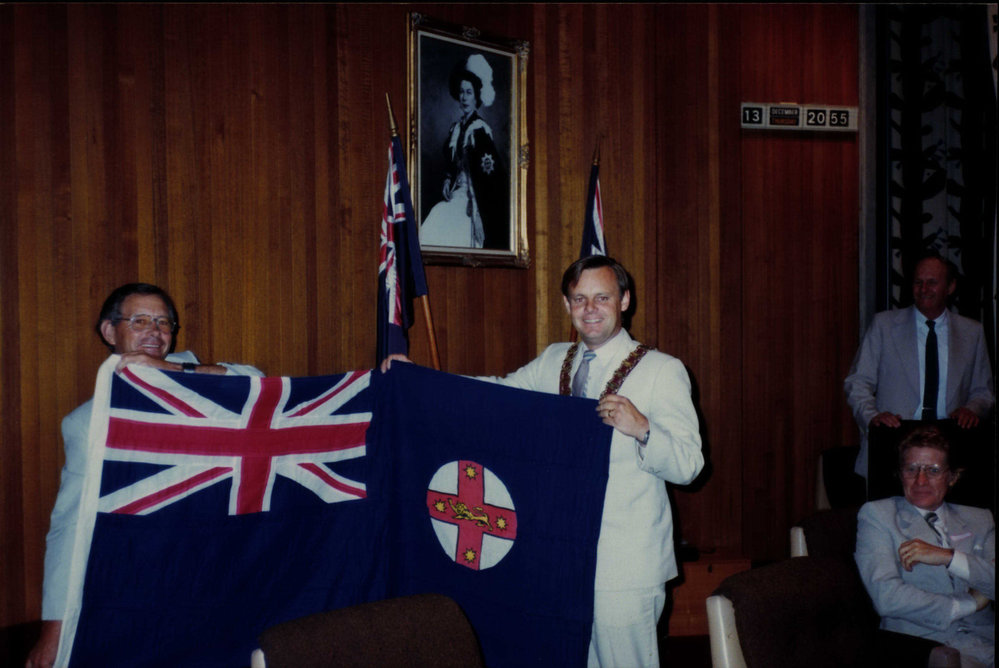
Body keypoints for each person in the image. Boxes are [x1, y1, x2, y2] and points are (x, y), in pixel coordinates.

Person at [383, 256, 704, 667]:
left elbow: (689, 466)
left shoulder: (662, 371)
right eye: (580, 299)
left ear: (624, 300)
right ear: (567, 305)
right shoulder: (556, 359)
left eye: (602, 297)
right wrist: (420, 379)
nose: (590, 309)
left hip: (622, 570)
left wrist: (642, 429)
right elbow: (498, 396)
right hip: (559, 558)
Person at [26, 283, 263, 668]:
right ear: (110, 331)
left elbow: (256, 380)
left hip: (222, 573)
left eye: (163, 322)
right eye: (139, 321)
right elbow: (69, 528)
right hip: (143, 584)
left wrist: (173, 371)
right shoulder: (89, 423)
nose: (154, 331)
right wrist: (54, 631)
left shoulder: (201, 382)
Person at [844, 253, 995, 479]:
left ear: (950, 287)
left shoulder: (971, 333)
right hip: (893, 443)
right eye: (918, 282)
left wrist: (971, 410)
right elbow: (857, 383)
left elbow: (984, 391)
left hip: (949, 448)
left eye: (932, 282)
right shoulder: (884, 326)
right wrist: (873, 418)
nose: (924, 289)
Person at [855, 425, 994, 667]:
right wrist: (968, 604)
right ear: (900, 474)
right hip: (926, 646)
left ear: (952, 477)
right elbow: (887, 597)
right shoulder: (879, 516)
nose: (921, 480)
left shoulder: (980, 519)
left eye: (933, 470)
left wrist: (949, 557)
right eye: (911, 469)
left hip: (986, 638)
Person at [420, 53, 509, 250]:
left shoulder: (480, 130)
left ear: (476, 96)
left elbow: (489, 177)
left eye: (469, 92)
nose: (464, 97)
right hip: (456, 194)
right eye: (461, 92)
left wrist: (477, 211)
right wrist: (447, 179)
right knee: (435, 220)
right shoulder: (457, 128)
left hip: (474, 202)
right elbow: (452, 162)